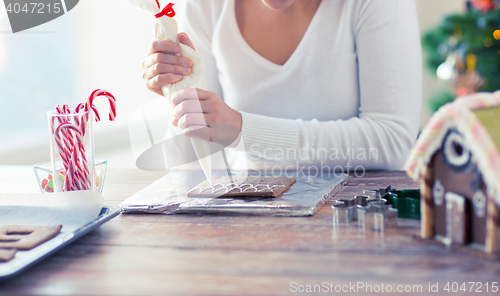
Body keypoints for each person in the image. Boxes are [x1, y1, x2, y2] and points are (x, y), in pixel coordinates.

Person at [141, 0, 422, 173]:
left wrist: (243, 130)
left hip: (354, 220)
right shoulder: (205, 7)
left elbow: (392, 140)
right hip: (247, 223)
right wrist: (179, 96)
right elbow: (187, 164)